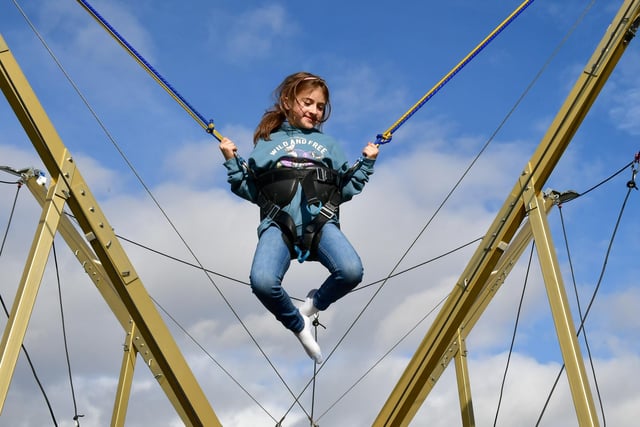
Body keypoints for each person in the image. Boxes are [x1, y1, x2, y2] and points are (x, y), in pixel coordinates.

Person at [219, 71, 378, 364]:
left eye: (320, 107)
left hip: (320, 222)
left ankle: (313, 305)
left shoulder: (329, 145)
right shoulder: (266, 143)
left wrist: (367, 163)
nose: (315, 112)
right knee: (263, 282)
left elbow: (346, 187)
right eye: (308, 103)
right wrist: (231, 160)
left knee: (351, 271)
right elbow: (250, 189)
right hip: (278, 224)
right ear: (288, 101)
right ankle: (297, 323)